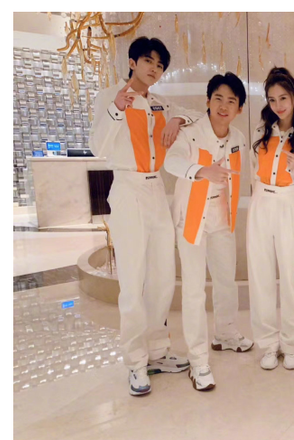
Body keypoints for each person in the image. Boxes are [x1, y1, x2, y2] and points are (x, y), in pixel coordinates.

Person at [90, 37, 203, 396]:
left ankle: (157, 351)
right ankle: (136, 362)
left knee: (162, 277)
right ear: (132, 62)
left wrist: (178, 119)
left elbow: (196, 115)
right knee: (133, 281)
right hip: (127, 189)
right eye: (148, 61)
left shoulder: (161, 103)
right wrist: (116, 109)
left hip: (156, 191)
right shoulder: (109, 97)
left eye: (160, 65)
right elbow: (96, 147)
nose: (154, 69)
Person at [164, 73, 253, 391]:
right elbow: (171, 162)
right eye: (218, 99)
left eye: (231, 101)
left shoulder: (238, 137)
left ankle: (225, 334)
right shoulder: (190, 133)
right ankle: (198, 359)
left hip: (221, 217)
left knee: (226, 279)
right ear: (208, 101)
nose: (223, 106)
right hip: (192, 218)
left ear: (239, 108)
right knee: (194, 290)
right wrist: (201, 171)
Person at [247, 67, 294, 370]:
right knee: (260, 276)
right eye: (272, 99)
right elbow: (253, 170)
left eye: (283, 98)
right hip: (260, 204)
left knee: (289, 278)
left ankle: (290, 343)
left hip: (288, 206)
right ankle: (267, 344)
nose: (278, 105)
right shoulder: (261, 132)